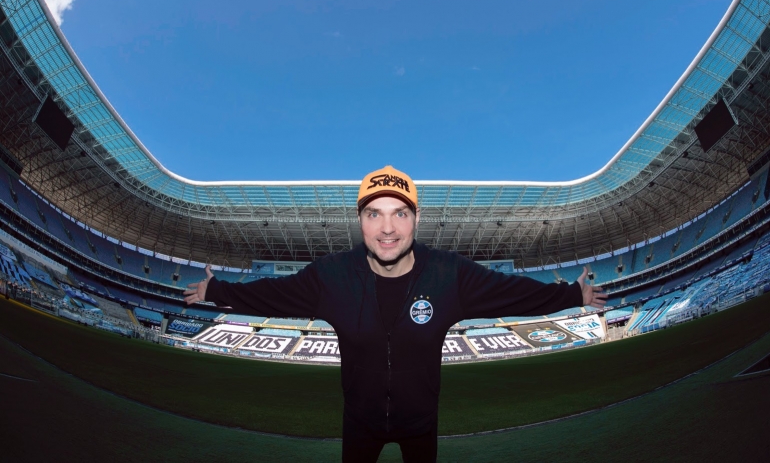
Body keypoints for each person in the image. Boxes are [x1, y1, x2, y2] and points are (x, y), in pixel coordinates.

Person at [184, 165, 607, 462]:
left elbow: (512, 294)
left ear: (416, 219)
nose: (387, 228)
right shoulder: (331, 277)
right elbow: (272, 295)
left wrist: (573, 295)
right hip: (359, 424)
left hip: (421, 425)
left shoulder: (449, 275)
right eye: (375, 214)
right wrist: (215, 289)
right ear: (360, 222)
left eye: (399, 213)